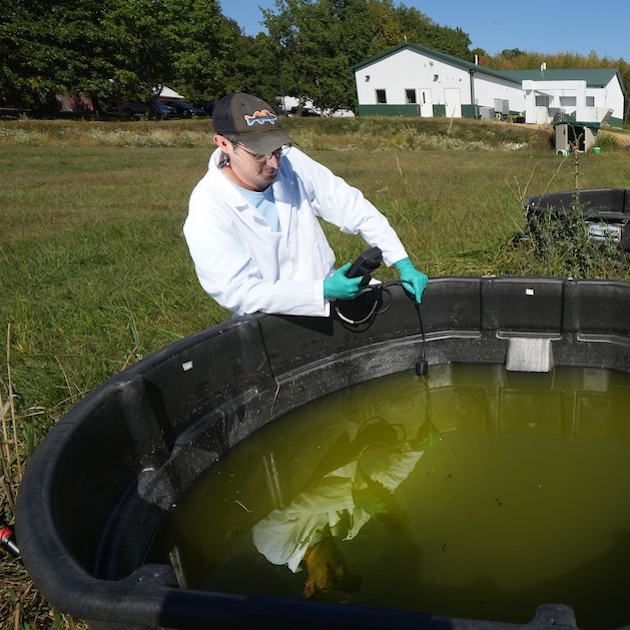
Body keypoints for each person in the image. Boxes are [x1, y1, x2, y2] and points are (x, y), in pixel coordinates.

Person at [183, 92, 428, 317]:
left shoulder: (292, 163)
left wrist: (401, 261)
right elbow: (238, 292)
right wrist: (318, 292)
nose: (275, 164)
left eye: (277, 150)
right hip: (269, 322)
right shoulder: (209, 209)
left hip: (330, 303)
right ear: (224, 144)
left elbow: (350, 205)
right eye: (259, 154)